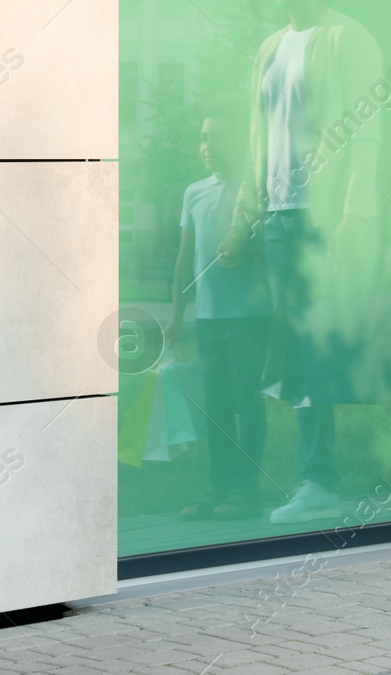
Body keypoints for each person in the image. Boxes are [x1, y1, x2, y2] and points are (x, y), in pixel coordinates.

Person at [218, 0, 382, 525]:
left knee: (331, 345)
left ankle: (327, 477)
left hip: (324, 220)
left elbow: (367, 134)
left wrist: (355, 215)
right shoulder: (267, 49)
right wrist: (242, 222)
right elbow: (258, 146)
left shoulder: (346, 38)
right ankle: (320, 477)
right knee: (300, 351)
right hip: (280, 223)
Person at [169, 102, 274, 520]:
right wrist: (178, 315)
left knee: (246, 401)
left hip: (248, 318)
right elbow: (183, 258)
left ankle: (246, 491)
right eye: (203, 137)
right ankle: (220, 488)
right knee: (215, 406)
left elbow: (272, 250)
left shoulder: (255, 190)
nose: (208, 146)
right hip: (208, 319)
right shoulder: (194, 192)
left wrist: (250, 252)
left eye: (216, 137)